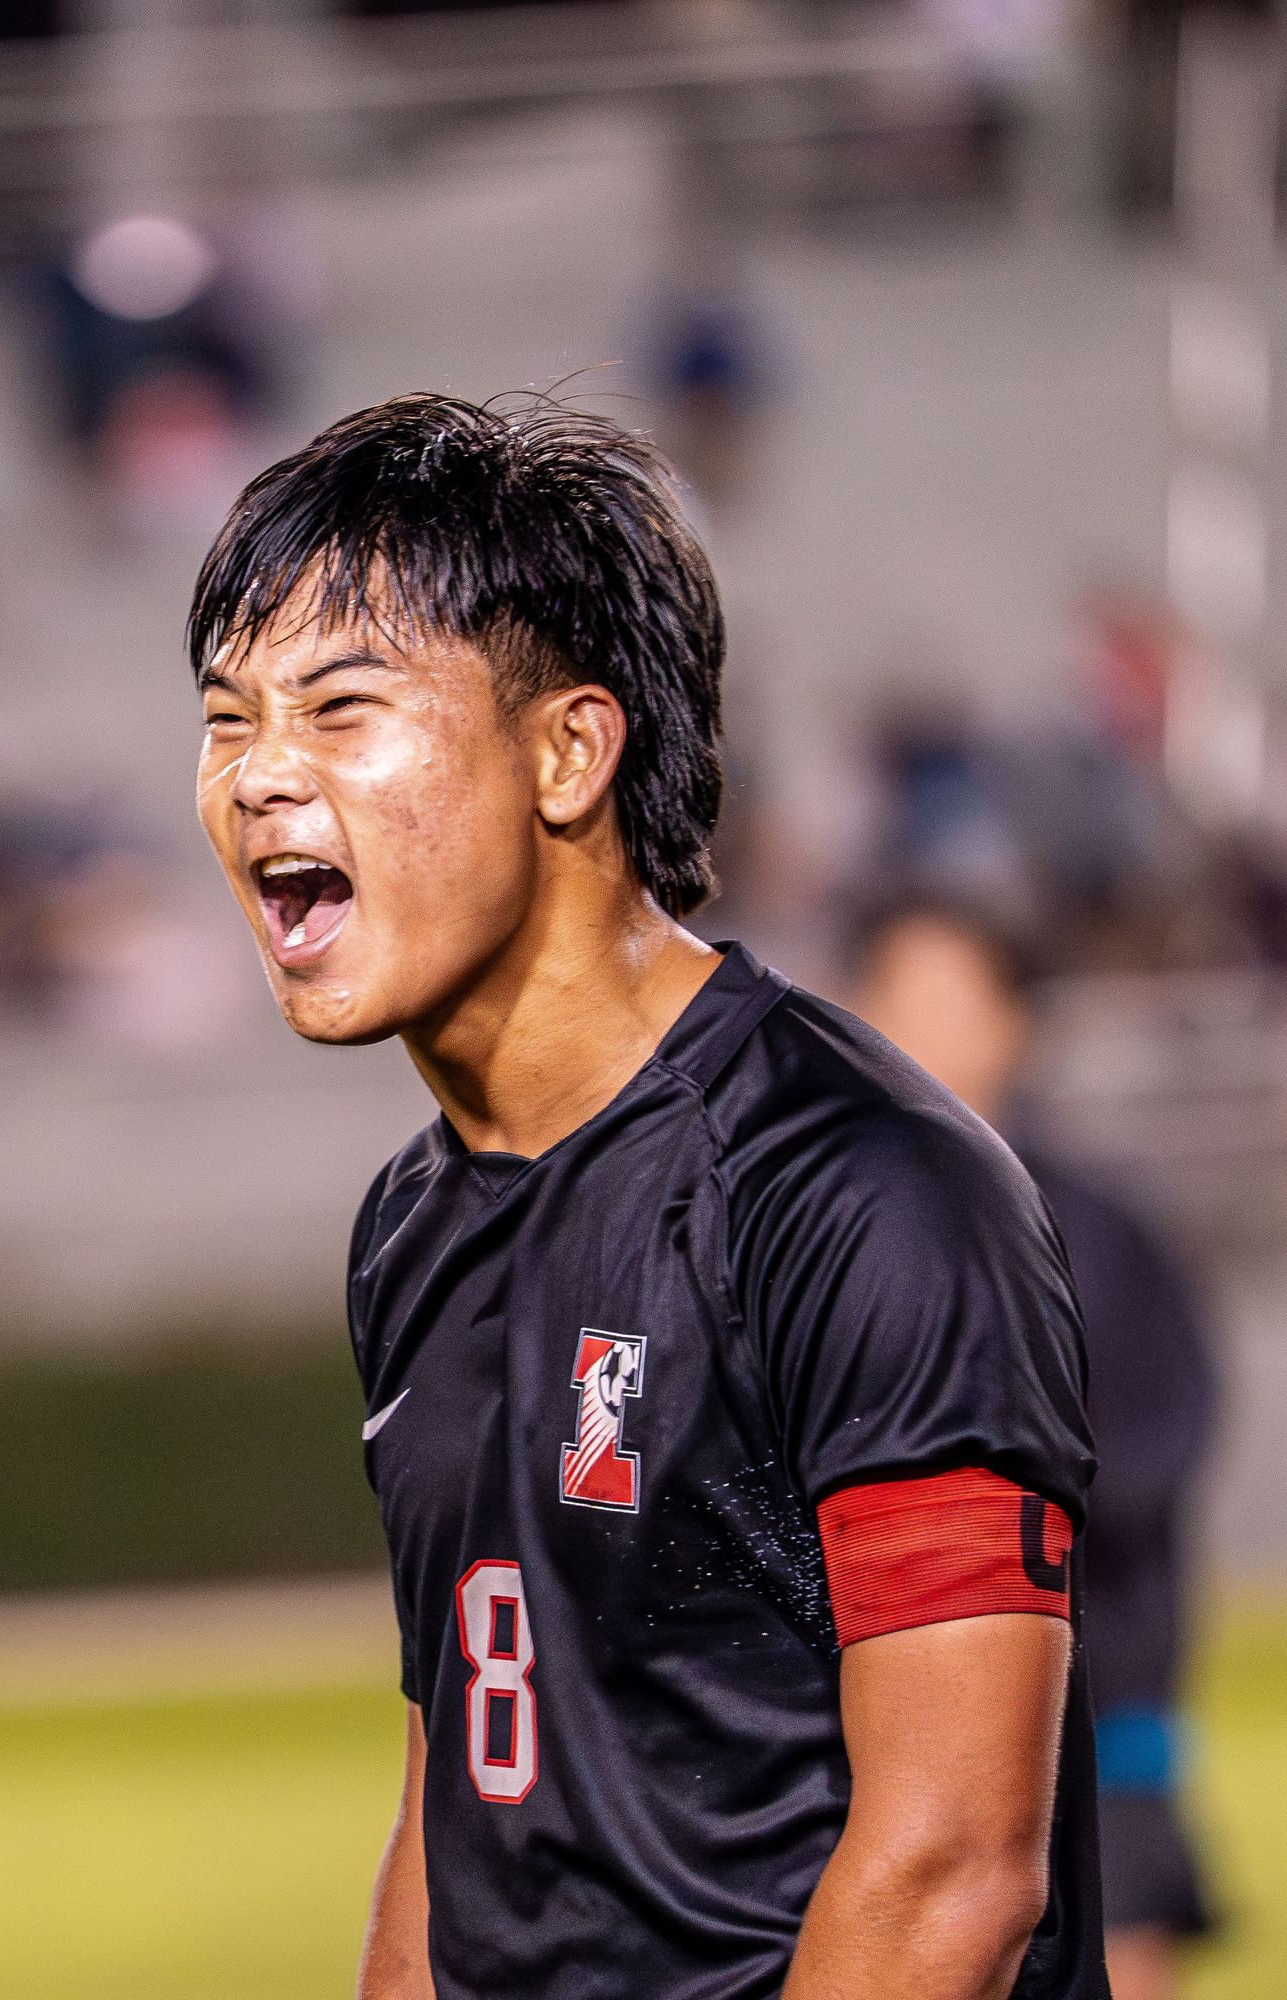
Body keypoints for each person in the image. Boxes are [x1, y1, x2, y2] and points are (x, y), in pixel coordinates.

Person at [188, 393, 1108, 2000]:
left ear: (568, 751)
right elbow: (460, 1806)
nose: (263, 777)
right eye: (226, 720)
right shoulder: (410, 1228)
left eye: (340, 711)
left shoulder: (858, 1188)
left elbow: (952, 1871)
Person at [844, 887, 1217, 2000]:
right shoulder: (805, 1228)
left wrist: (960, 1524)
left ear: (1018, 1021)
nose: (926, 1030)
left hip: (1098, 1698)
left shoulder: (1102, 1227)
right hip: (885, 1729)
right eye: (900, 999)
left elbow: (1154, 1448)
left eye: (954, 999)